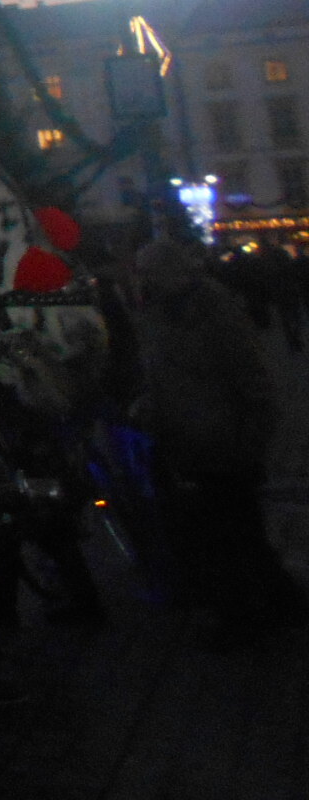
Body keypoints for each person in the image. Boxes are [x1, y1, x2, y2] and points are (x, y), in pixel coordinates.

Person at [132, 237, 308, 649]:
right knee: (231, 531)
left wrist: (253, 438)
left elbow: (250, 377)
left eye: (150, 273)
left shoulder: (211, 309)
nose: (145, 281)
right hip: (190, 439)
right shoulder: (160, 312)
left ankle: (247, 617)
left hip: (224, 439)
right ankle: (278, 604)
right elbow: (163, 377)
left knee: (231, 533)